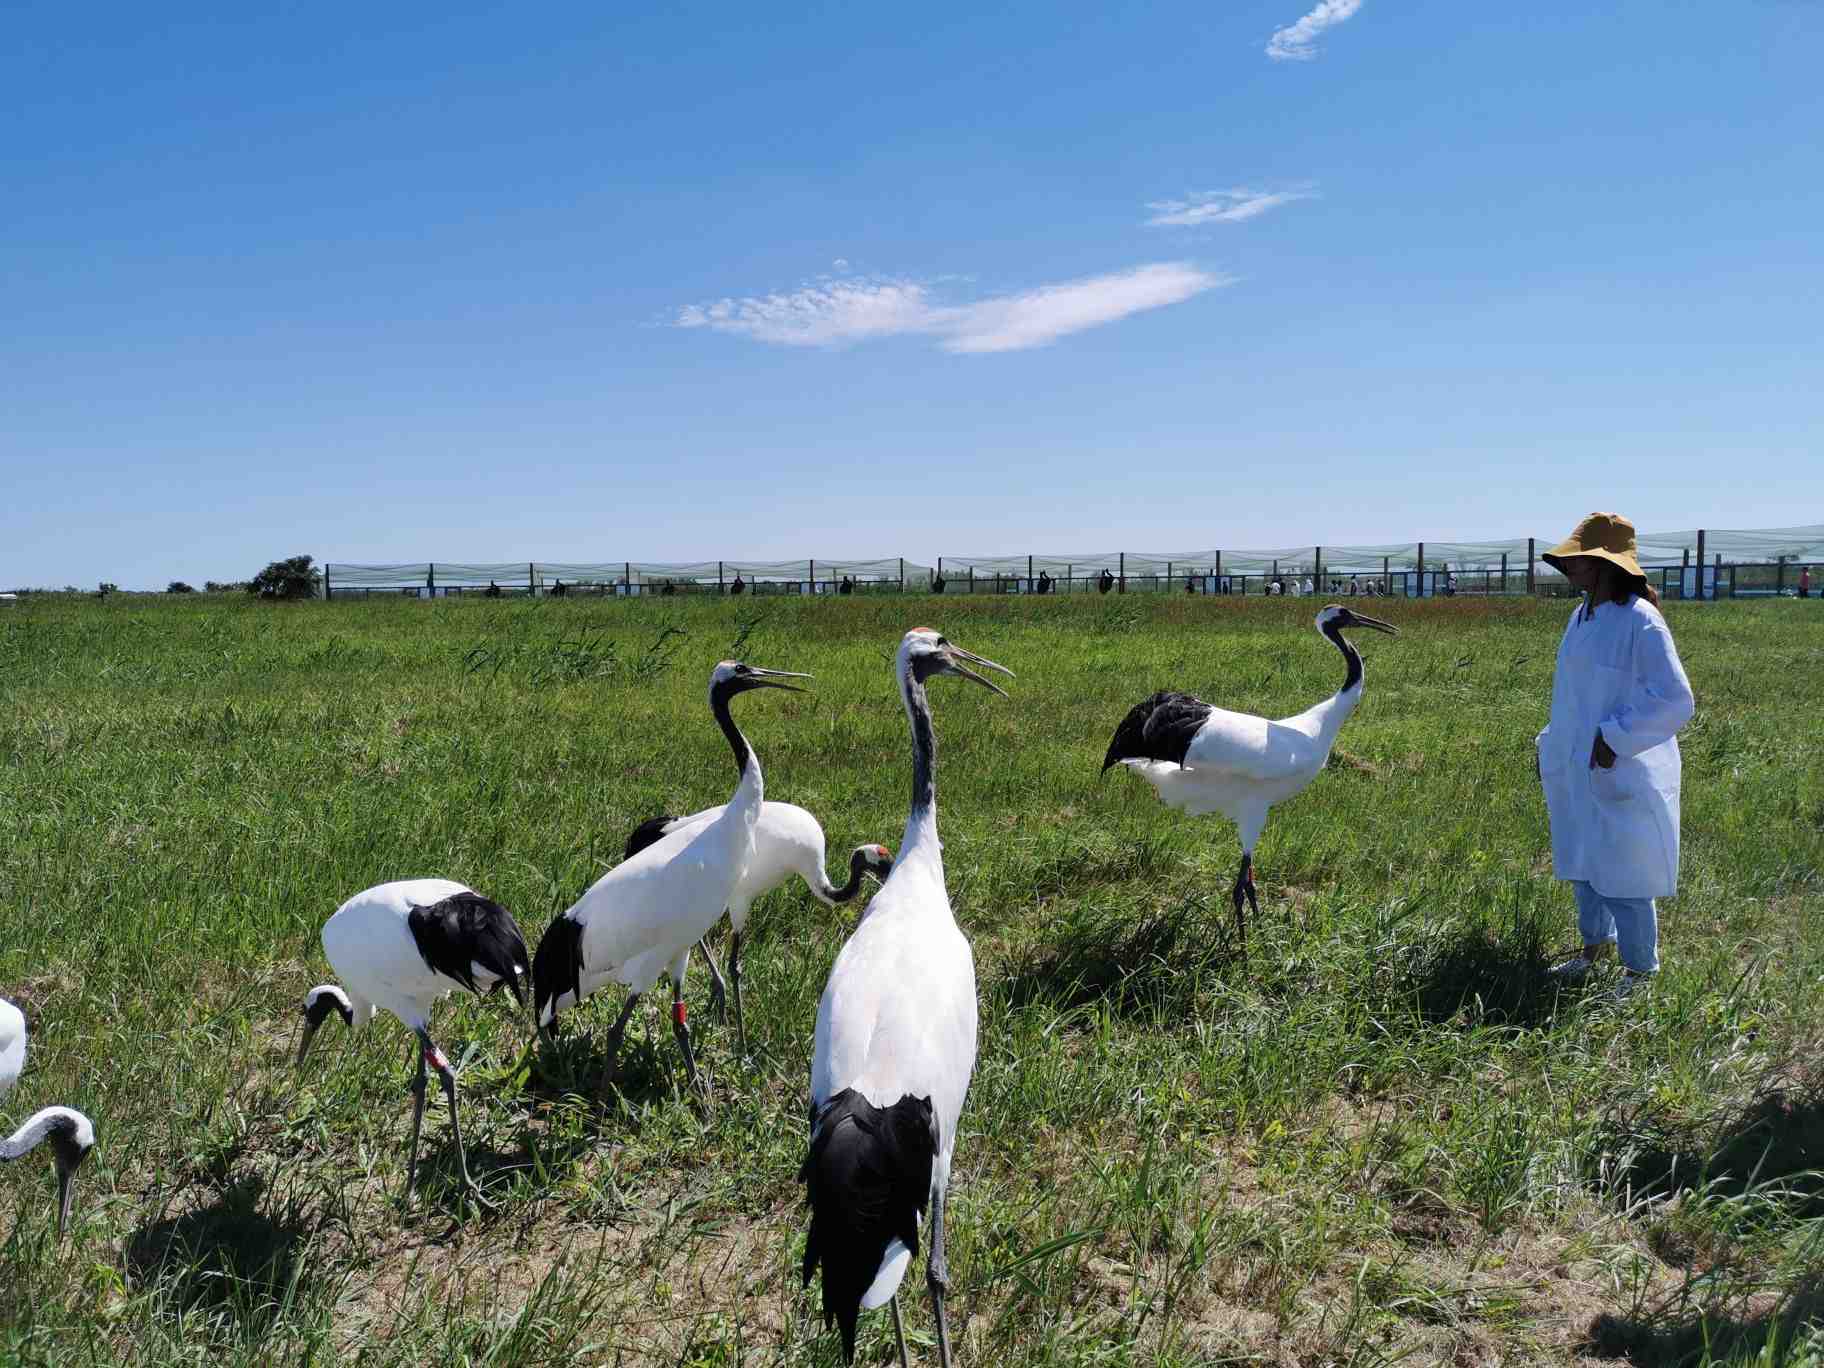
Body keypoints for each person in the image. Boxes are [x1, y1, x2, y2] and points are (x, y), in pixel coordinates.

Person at [1537, 513, 1694, 1000]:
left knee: (1624, 872)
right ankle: (1593, 952)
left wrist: (1616, 738)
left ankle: (1641, 974)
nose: (1572, 567)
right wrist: (1552, 740)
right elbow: (1574, 694)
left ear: (1607, 566)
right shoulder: (1580, 615)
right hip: (1574, 761)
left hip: (1621, 765)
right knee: (1583, 862)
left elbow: (1675, 698)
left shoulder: (1641, 620)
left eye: (1582, 559)